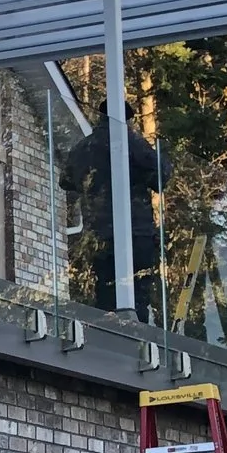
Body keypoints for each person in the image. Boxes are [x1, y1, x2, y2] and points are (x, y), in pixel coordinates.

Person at [60, 114, 164, 320]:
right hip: (135, 230)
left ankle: (108, 335)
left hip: (98, 233)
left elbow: (66, 180)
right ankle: (135, 338)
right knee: (136, 293)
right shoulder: (130, 141)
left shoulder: (83, 148)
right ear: (127, 120)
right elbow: (162, 174)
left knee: (106, 291)